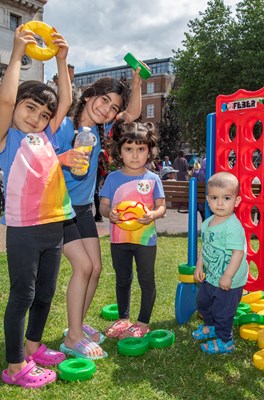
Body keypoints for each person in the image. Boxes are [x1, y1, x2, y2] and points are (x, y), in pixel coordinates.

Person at [0, 25, 74, 388]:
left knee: (45, 292)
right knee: (23, 294)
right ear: (17, 106)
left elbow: (65, 103)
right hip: (24, 231)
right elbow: (4, 101)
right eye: (29, 108)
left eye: (43, 115)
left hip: (53, 226)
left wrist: (61, 61)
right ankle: (15, 367)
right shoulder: (6, 137)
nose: (36, 118)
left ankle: (32, 347)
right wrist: (17, 54)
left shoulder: (44, 136)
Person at [55, 62, 143, 358]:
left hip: (81, 209)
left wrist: (137, 81)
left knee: (96, 268)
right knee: (83, 267)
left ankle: (76, 326)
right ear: (90, 94)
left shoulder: (102, 128)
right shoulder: (63, 125)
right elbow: (39, 157)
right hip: (57, 208)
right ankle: (73, 338)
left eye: (113, 106)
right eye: (104, 99)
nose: (107, 109)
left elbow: (132, 114)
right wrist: (64, 158)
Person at [99, 121, 166, 339]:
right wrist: (110, 213)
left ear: (149, 151)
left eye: (141, 149)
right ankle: (123, 319)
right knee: (123, 278)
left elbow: (161, 206)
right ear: (120, 151)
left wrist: (153, 215)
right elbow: (103, 205)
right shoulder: (113, 178)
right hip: (119, 239)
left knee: (146, 279)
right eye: (129, 149)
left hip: (145, 239)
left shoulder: (153, 178)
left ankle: (143, 323)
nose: (135, 155)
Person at [193, 172, 248, 354]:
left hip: (229, 281)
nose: (220, 203)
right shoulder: (208, 223)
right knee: (203, 303)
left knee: (222, 312)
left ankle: (226, 341)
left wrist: (228, 276)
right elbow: (205, 247)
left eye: (226, 198)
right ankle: (211, 326)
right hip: (212, 276)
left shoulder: (233, 227)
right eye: (215, 198)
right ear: (208, 200)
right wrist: (199, 265)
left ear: (237, 201)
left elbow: (238, 253)